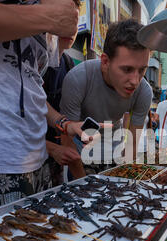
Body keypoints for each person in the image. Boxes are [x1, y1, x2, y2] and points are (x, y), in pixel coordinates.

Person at [0, 0, 86, 218]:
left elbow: (31, 85)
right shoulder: (44, 13)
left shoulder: (49, 22)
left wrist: (63, 123)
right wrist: (46, 16)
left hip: (35, 158)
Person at [59, 19, 153, 173]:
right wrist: (80, 180)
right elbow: (66, 138)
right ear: (105, 61)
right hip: (81, 153)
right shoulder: (78, 79)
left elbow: (133, 144)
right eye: (127, 69)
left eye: (142, 70)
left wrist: (124, 177)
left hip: (115, 152)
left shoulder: (144, 91)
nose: (135, 81)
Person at [43, 31, 87, 183]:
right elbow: (31, 104)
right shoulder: (36, 59)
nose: (70, 30)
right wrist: (50, 148)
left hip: (59, 151)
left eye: (74, 24)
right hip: (30, 150)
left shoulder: (68, 64)